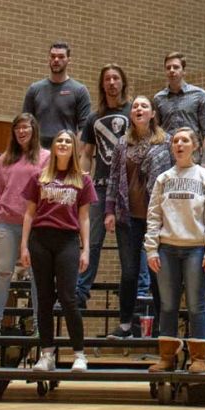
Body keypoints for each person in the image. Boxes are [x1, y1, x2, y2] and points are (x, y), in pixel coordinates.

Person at [144, 128, 205, 374]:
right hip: (166, 249)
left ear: (195, 146)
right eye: (175, 140)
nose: (179, 144)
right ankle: (167, 356)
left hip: (196, 249)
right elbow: (153, 215)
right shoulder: (163, 178)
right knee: (167, 305)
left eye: (184, 140)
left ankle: (198, 358)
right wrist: (151, 249)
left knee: (196, 304)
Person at [19, 131, 94, 373]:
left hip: (67, 242)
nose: (62, 144)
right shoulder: (38, 177)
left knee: (68, 297)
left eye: (67, 141)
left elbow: (84, 218)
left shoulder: (82, 179)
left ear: (74, 148)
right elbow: (29, 213)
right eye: (58, 140)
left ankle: (79, 354)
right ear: (53, 147)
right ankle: (47, 354)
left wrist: (86, 250)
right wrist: (23, 246)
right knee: (43, 299)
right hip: (40, 240)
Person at [104, 96, 172, 338]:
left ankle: (163, 325)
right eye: (135, 106)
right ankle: (125, 325)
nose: (139, 109)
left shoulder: (166, 142)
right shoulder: (122, 143)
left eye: (144, 106)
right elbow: (113, 179)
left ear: (153, 113)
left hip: (157, 218)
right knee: (130, 272)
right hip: (127, 216)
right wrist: (109, 211)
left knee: (157, 271)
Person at [0, 112, 47, 338]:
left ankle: (39, 323)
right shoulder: (5, 159)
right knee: (3, 272)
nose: (21, 131)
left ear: (33, 130)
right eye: (17, 128)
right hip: (7, 222)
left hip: (35, 226)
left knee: (38, 275)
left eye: (25, 127)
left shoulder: (45, 157)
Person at [78, 64, 130, 305]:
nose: (111, 82)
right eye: (107, 78)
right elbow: (87, 152)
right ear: (102, 84)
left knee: (128, 243)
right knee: (92, 241)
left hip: (127, 188)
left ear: (122, 82)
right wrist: (83, 177)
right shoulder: (93, 117)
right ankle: (80, 290)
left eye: (116, 78)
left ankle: (134, 295)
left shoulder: (133, 110)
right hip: (99, 185)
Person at [22, 42, 93, 152]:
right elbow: (25, 124)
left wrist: (75, 155)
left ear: (69, 60)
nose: (56, 60)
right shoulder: (34, 89)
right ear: (48, 59)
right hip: (37, 154)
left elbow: (84, 129)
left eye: (61, 57)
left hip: (65, 152)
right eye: (53, 56)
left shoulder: (80, 91)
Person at [154, 52, 205, 165]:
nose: (172, 70)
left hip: (193, 159)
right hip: (167, 159)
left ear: (184, 71)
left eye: (176, 67)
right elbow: (156, 133)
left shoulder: (200, 95)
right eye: (168, 68)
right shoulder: (158, 98)